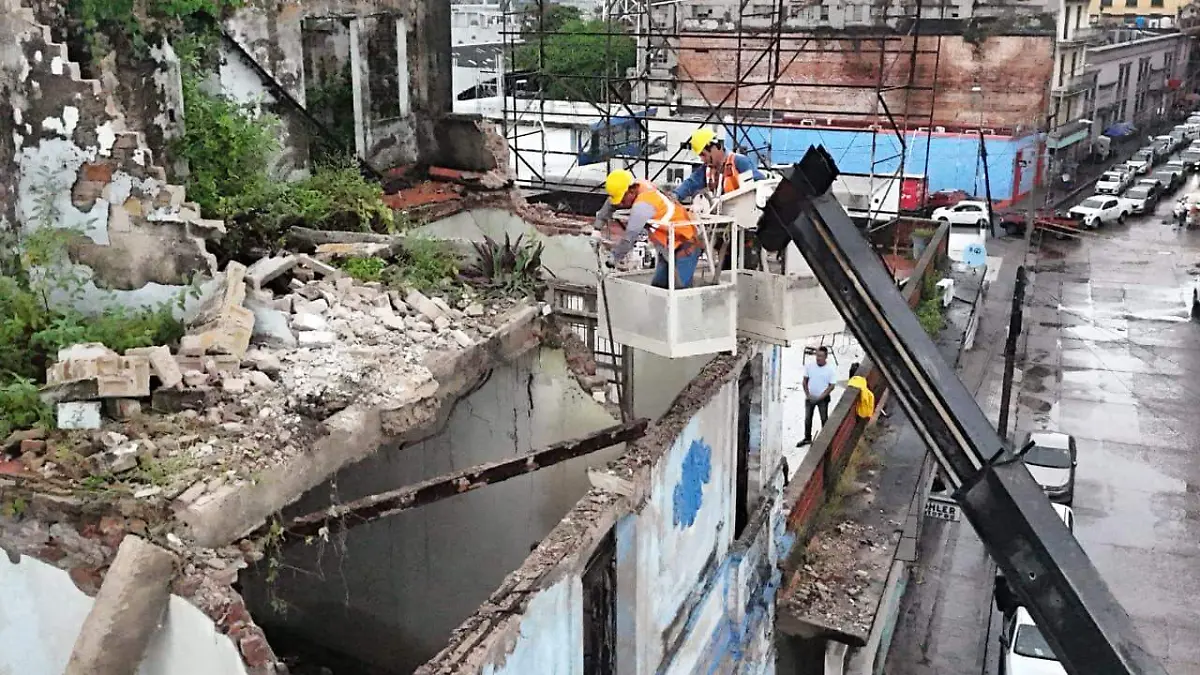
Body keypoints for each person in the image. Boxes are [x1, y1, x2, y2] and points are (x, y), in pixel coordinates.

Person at [593, 169, 704, 289]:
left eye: (623, 200)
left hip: (686, 245)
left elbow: (629, 238)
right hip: (668, 246)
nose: (621, 204)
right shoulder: (638, 185)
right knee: (658, 287)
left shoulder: (643, 205)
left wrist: (613, 259)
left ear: (631, 191)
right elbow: (611, 203)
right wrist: (597, 229)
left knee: (680, 291)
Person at [679, 127, 768, 271]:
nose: (703, 159)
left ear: (715, 147)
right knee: (726, 267)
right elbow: (690, 183)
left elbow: (758, 184)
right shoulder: (707, 170)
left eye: (704, 154)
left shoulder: (739, 162)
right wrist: (675, 196)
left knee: (746, 268)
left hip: (745, 227)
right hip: (726, 228)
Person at [797, 346, 837, 447]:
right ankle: (807, 438)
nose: (818, 358)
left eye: (821, 356)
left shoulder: (830, 369)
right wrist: (808, 395)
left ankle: (825, 441)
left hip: (823, 399)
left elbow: (831, 386)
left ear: (826, 357)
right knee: (807, 419)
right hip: (810, 398)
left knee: (824, 419)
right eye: (817, 355)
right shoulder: (810, 366)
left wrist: (821, 397)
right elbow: (805, 381)